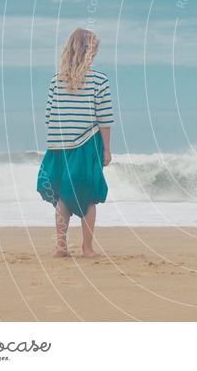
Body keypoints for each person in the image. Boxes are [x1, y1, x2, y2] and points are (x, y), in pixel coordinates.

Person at [36, 28, 114, 258]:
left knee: (63, 195)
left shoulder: (56, 80)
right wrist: (107, 149)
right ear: (89, 52)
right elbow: (105, 118)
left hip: (58, 145)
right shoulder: (99, 80)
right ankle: (87, 248)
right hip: (86, 144)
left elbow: (49, 115)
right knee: (89, 195)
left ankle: (60, 246)